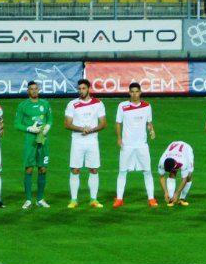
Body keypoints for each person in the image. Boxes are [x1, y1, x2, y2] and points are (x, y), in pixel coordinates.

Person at [64, 79, 107, 209]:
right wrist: (82, 129)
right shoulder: (72, 104)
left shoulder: (98, 104)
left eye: (83, 88)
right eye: (79, 89)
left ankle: (93, 199)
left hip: (92, 141)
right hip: (77, 141)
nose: (81, 91)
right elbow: (67, 124)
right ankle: (74, 200)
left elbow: (103, 123)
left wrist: (91, 130)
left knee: (93, 169)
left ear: (89, 89)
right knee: (75, 169)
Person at [113, 82, 157, 208]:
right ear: (129, 93)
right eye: (132, 91)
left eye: (136, 91)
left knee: (147, 171)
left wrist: (152, 130)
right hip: (127, 145)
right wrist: (119, 138)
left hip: (142, 145)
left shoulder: (147, 106)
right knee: (122, 171)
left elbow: (149, 122)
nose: (134, 94)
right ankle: (119, 198)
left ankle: (151, 198)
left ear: (140, 92)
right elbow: (118, 123)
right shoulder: (122, 106)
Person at [14, 81, 53, 209]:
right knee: (29, 168)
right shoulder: (23, 106)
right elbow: (17, 124)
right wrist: (29, 129)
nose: (34, 91)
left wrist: (47, 127)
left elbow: (50, 119)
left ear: (39, 90)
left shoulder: (45, 104)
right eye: (32, 89)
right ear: (28, 91)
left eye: (36, 89)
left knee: (43, 168)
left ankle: (40, 199)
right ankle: (28, 199)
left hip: (43, 139)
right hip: (30, 141)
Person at [157, 141, 194, 206]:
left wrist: (177, 193)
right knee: (172, 173)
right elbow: (161, 177)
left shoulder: (183, 162)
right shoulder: (161, 162)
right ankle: (171, 199)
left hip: (186, 151)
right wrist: (165, 192)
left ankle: (182, 199)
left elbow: (184, 179)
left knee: (189, 176)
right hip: (174, 149)